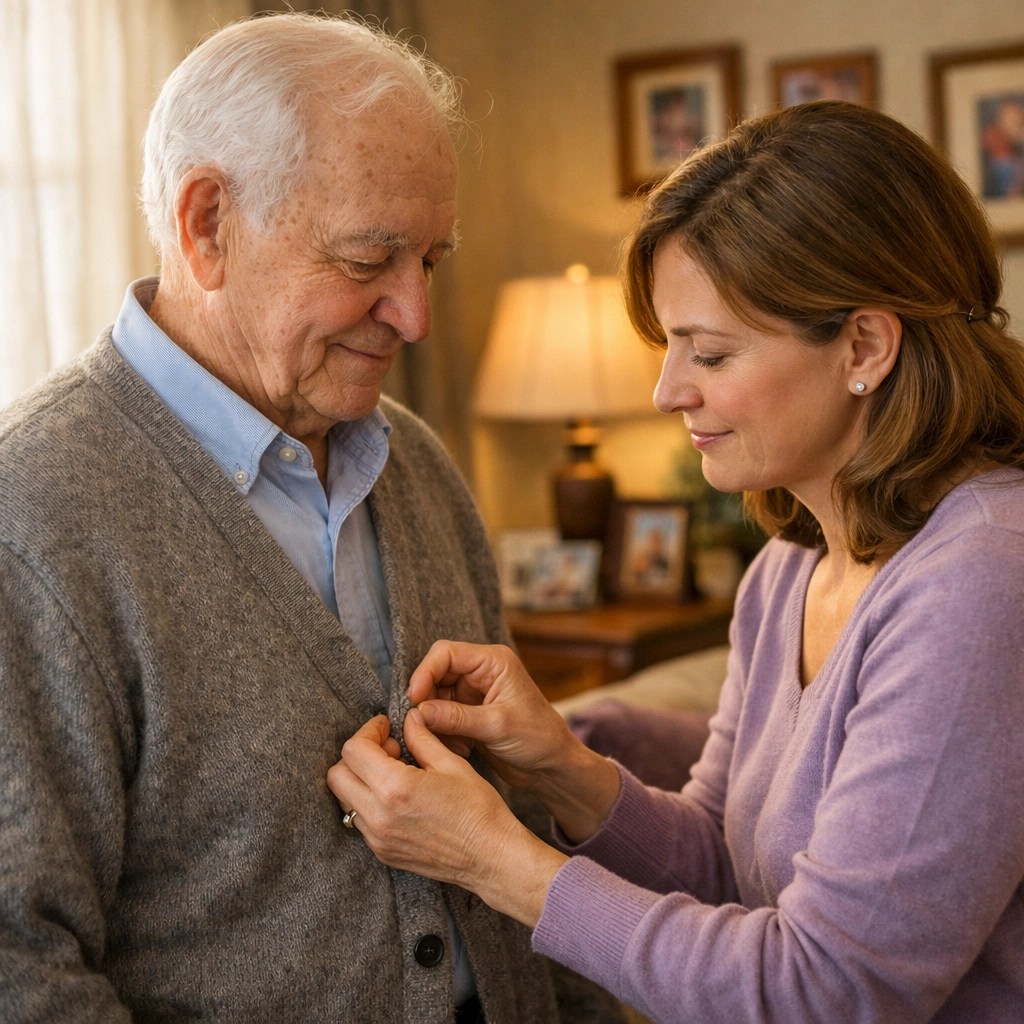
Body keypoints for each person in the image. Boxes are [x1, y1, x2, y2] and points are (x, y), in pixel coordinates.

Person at [327, 100, 1024, 1023]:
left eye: (711, 352)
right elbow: (724, 867)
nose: (666, 391)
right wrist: (558, 767)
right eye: (669, 349)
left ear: (864, 345)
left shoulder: (984, 579)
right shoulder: (788, 570)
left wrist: (495, 859)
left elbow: (833, 991)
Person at [0, 12, 589, 1023]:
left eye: (431, 261)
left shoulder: (419, 466)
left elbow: (518, 826)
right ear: (207, 226)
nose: (417, 316)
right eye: (368, 261)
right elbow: (19, 967)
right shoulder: (33, 515)